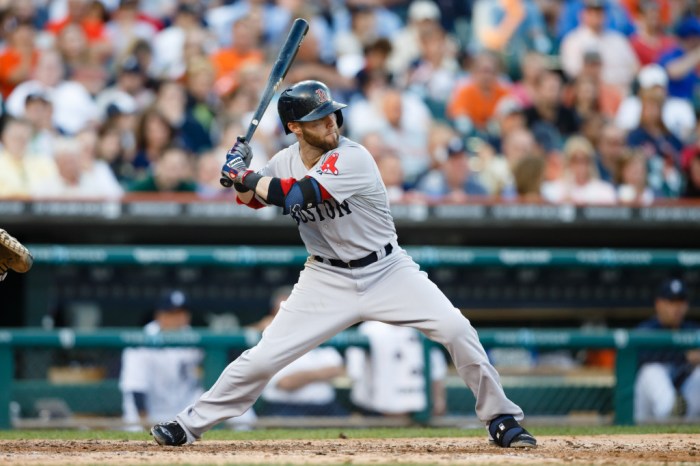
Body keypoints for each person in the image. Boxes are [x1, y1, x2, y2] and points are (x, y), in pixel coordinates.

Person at [150, 80, 536, 448]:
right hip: (326, 276)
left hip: (387, 270)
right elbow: (251, 199)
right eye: (318, 119)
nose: (330, 123)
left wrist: (245, 175)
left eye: (331, 114)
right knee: (263, 357)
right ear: (295, 128)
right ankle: (187, 424)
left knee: (456, 328)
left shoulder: (353, 156)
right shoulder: (284, 161)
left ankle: (501, 418)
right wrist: (237, 175)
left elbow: (298, 195)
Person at [254, 287, 347, 417]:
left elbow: (340, 371)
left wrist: (303, 377)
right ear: (273, 313)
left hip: (327, 408)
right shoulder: (267, 338)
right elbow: (286, 383)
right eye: (284, 311)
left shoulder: (317, 332)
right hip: (285, 410)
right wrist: (320, 374)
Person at [346, 321, 448, 419]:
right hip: (372, 409)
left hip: (417, 407)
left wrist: (439, 398)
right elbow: (355, 373)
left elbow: (437, 370)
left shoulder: (422, 327)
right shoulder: (368, 329)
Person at [634, 278, 700, 422]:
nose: (676, 308)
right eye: (671, 302)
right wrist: (684, 357)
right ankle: (670, 411)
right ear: (659, 304)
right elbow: (641, 356)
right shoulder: (646, 330)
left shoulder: (693, 330)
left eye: (680, 302)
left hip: (685, 401)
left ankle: (676, 417)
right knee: (652, 370)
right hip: (647, 410)